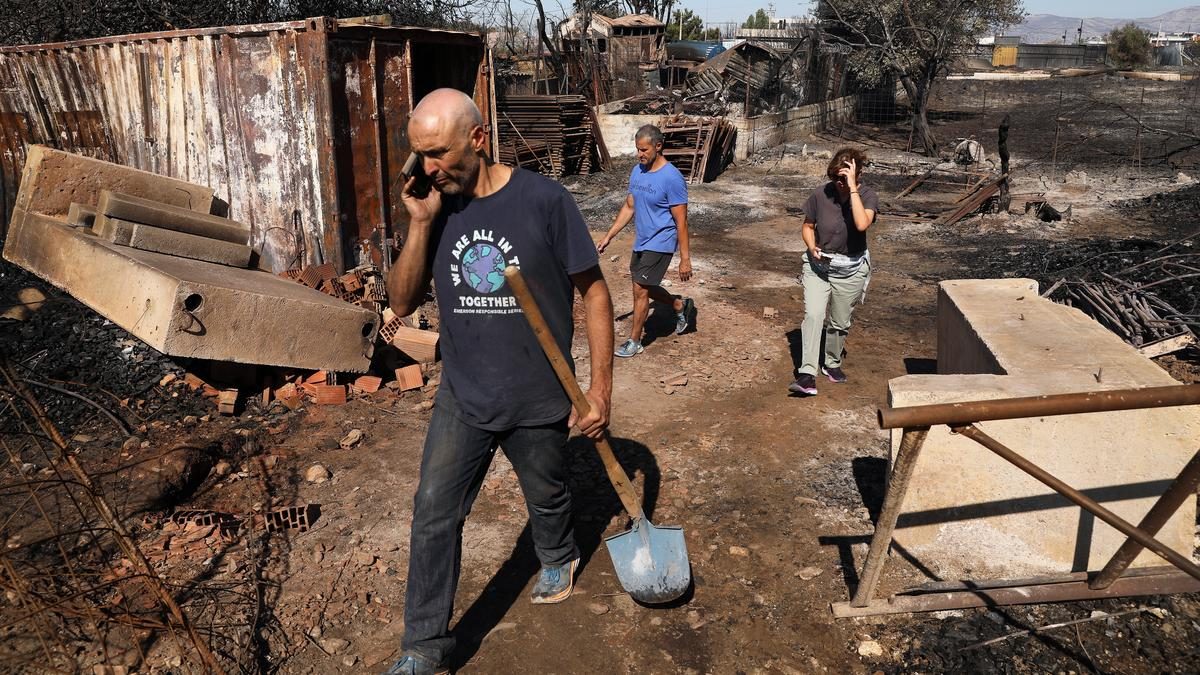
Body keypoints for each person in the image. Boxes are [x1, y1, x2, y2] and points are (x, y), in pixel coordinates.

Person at [383, 89, 614, 675]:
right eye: (419, 156)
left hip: (540, 393)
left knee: (548, 495)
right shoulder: (435, 206)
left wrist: (600, 390)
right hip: (463, 395)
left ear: (479, 139)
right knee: (434, 511)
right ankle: (423, 647)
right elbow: (403, 302)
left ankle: (558, 553)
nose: (428, 169)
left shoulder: (545, 201)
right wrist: (418, 226)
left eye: (437, 153)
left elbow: (594, 294)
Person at [596, 124, 694, 358]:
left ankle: (634, 341)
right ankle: (678, 305)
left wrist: (685, 259)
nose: (640, 154)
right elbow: (630, 206)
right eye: (638, 150)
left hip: (662, 240)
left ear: (659, 147)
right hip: (643, 240)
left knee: (640, 289)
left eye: (644, 150)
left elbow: (681, 222)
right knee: (643, 288)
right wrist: (609, 236)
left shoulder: (672, 178)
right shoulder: (637, 171)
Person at [789, 147, 878, 396]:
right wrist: (811, 245)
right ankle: (807, 373)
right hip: (819, 267)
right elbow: (807, 226)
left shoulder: (868, 196)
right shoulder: (821, 194)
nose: (839, 183)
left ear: (857, 174)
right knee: (814, 315)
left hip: (851, 269)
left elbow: (861, 224)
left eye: (844, 177)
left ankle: (832, 362)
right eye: (836, 178)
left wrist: (852, 188)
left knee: (839, 323)